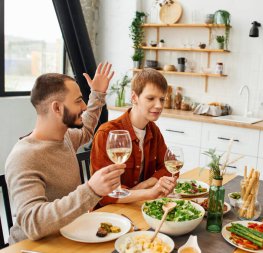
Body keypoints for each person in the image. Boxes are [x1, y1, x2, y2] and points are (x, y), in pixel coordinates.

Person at [5, 62, 126, 244]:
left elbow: (86, 128)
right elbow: (32, 223)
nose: (84, 106)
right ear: (57, 108)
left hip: (66, 235)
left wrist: (98, 94)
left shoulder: (66, 136)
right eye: (78, 101)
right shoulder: (24, 157)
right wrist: (91, 190)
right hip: (31, 247)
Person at [91, 68, 176, 206]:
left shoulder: (153, 131)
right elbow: (104, 194)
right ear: (134, 97)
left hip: (138, 205)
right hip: (109, 212)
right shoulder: (107, 133)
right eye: (150, 98)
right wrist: (149, 192)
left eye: (162, 99)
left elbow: (171, 167)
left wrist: (144, 185)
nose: (159, 105)